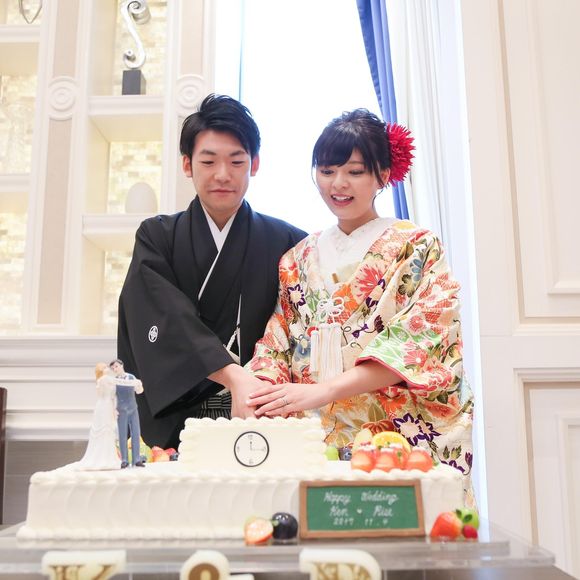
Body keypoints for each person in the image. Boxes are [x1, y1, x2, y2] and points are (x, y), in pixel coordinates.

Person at [245, 109, 474, 500]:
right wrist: (260, 391)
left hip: (390, 432)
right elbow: (277, 339)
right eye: (327, 170)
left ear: (383, 175)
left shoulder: (416, 247)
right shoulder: (296, 258)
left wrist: (324, 391)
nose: (338, 183)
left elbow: (420, 340)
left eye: (354, 171)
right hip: (311, 432)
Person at [117, 94, 307, 449]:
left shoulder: (290, 242)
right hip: (178, 416)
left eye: (236, 161)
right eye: (208, 161)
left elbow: (298, 332)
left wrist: (257, 385)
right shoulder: (157, 237)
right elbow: (165, 317)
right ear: (187, 165)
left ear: (254, 164)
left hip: (262, 411)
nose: (222, 174)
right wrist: (233, 376)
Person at [76, 363, 121, 471]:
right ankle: (103, 457)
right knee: (104, 429)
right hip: (103, 406)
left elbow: (112, 396)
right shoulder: (103, 380)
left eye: (106, 367)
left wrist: (114, 409)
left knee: (108, 430)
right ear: (101, 370)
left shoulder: (107, 379)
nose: (107, 368)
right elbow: (106, 393)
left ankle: (108, 456)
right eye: (104, 367)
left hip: (108, 405)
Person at [110, 359, 144, 468]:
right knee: (122, 434)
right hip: (121, 410)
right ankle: (124, 459)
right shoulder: (114, 381)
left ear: (121, 365)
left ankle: (136, 459)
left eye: (116, 366)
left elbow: (139, 391)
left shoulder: (131, 377)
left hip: (133, 409)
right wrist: (113, 409)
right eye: (113, 368)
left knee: (136, 433)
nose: (115, 369)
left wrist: (139, 385)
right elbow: (112, 396)